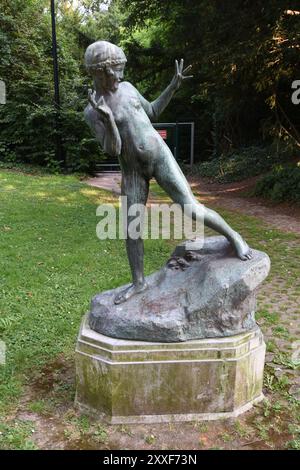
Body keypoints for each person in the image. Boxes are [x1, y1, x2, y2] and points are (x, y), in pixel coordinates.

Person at [84, 41, 252, 305]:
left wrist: (173, 86)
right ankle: (138, 283)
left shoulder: (127, 89)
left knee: (191, 208)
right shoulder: (92, 112)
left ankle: (234, 236)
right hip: (133, 172)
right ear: (98, 72)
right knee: (132, 229)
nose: (119, 76)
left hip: (159, 156)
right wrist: (108, 122)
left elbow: (151, 111)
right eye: (114, 71)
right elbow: (111, 149)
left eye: (120, 69)